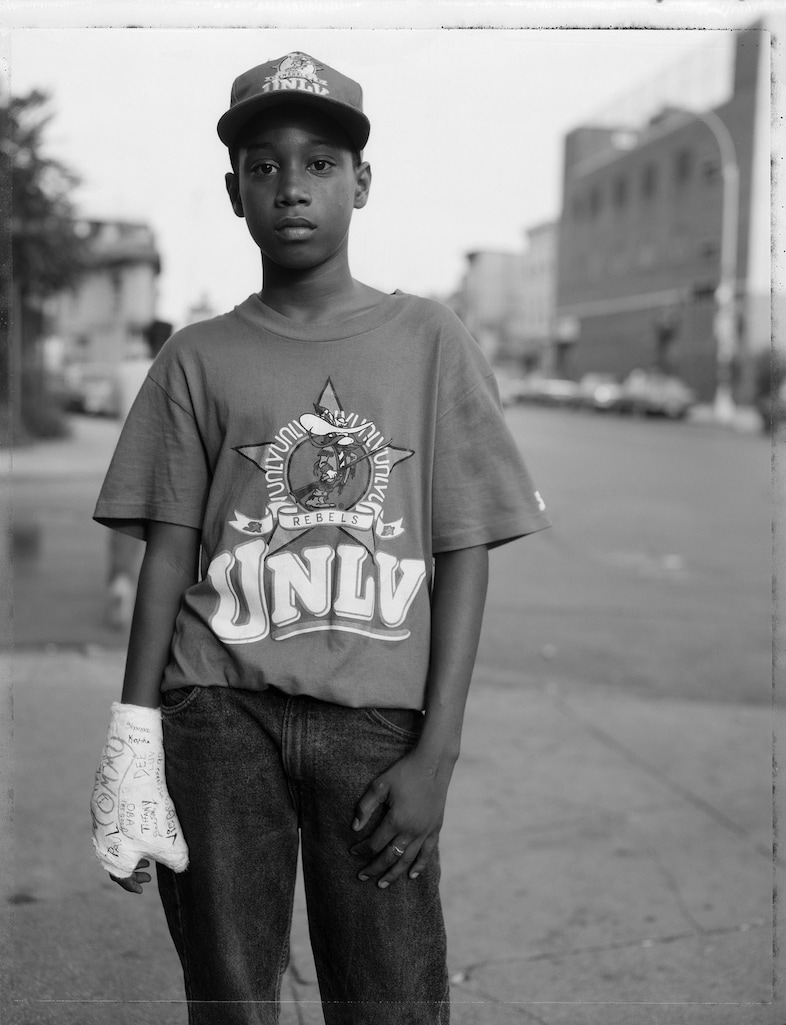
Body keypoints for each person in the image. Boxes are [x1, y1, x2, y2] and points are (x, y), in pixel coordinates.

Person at [89, 51, 551, 1025]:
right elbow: (168, 549)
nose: (291, 186)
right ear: (234, 191)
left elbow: (461, 547)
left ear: (362, 182)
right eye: (264, 165)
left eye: (320, 163)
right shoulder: (196, 356)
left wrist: (440, 751)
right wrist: (134, 741)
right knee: (231, 991)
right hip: (218, 713)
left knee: (390, 998)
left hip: (375, 726)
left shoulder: (429, 338)